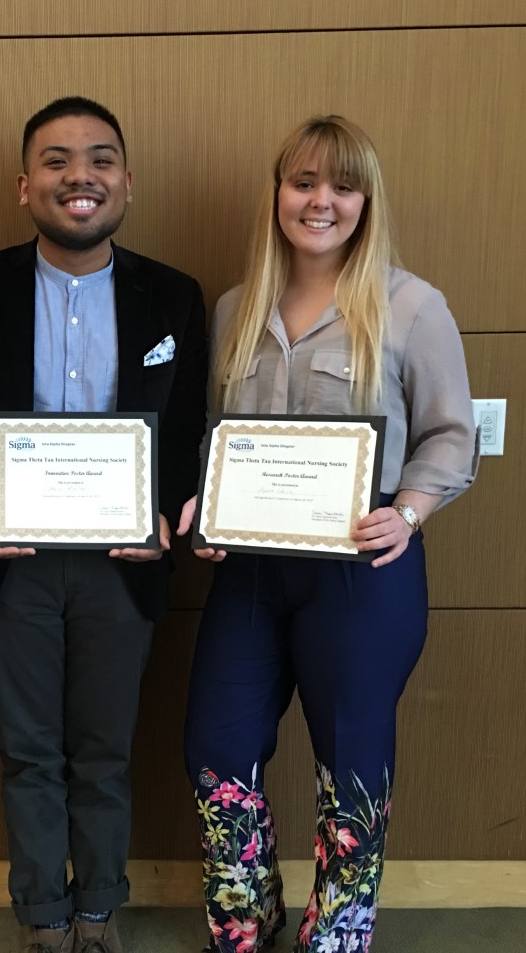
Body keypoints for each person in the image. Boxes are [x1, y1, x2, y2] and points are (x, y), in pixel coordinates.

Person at [176, 115, 478, 953]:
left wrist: (410, 510)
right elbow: (216, 431)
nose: (320, 201)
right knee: (217, 744)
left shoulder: (413, 306)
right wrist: (206, 502)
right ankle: (246, 913)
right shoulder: (238, 307)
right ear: (278, 193)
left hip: (362, 564)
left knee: (351, 764)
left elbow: (452, 433)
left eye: (342, 186)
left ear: (366, 201)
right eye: (304, 182)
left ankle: (337, 930)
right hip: (249, 566)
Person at [0, 97, 208, 953]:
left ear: (126, 183)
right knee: (29, 753)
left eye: (100, 159)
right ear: (24, 185)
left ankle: (100, 911)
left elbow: (188, 426)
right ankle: (45, 914)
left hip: (124, 561)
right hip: (13, 560)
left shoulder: (175, 296)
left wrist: (169, 514)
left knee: (106, 752)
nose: (79, 176)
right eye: (56, 160)